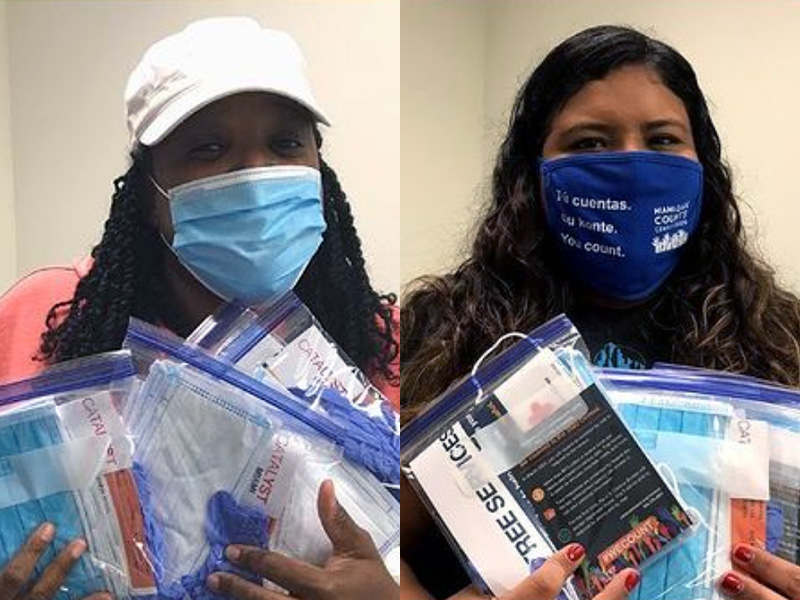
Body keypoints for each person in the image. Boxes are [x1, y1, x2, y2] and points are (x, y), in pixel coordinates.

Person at [0, 16, 398, 600]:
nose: (255, 172)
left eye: (286, 143)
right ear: (149, 190)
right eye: (208, 149)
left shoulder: (379, 342)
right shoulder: (41, 314)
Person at [400, 25, 800, 600]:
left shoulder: (781, 335)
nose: (633, 167)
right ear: (531, 172)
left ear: (703, 165)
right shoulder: (441, 326)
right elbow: (393, 556)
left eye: (662, 140)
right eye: (590, 143)